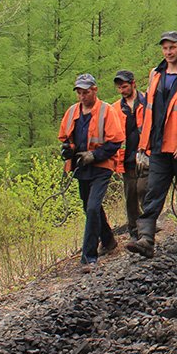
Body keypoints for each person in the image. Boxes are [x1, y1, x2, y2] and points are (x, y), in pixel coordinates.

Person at [125, 31, 177, 258]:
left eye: (172, 48)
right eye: (165, 48)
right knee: (154, 191)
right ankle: (146, 239)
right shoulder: (155, 74)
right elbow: (149, 112)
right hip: (159, 147)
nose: (168, 52)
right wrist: (143, 147)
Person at [58, 73, 125, 272]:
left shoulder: (107, 111)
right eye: (79, 92)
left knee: (93, 207)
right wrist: (67, 150)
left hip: (102, 166)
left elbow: (115, 142)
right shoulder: (72, 112)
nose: (82, 96)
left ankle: (89, 257)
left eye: (85, 92)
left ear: (94, 90)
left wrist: (95, 155)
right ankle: (109, 240)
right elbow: (66, 139)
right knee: (89, 207)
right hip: (81, 167)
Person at [113, 69, 149, 241]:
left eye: (125, 86)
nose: (122, 90)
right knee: (130, 196)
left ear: (133, 83)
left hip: (146, 155)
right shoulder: (115, 109)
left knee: (144, 190)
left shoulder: (147, 102)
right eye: (119, 87)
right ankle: (134, 231)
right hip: (126, 159)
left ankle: (147, 228)